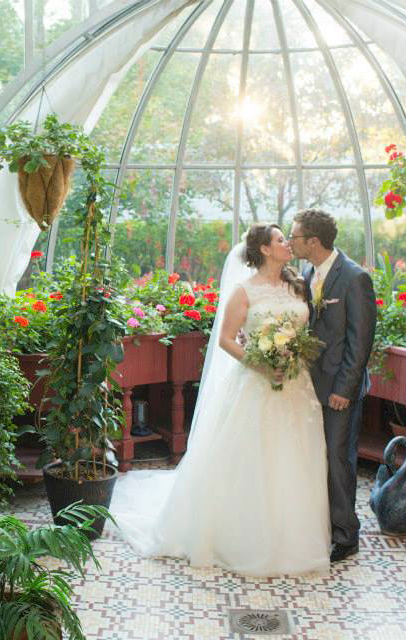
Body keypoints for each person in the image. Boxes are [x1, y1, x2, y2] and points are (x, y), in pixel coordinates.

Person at [108, 223, 330, 576]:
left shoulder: (299, 286)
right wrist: (260, 363)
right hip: (257, 384)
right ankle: (243, 538)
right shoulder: (244, 292)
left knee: (296, 459)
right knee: (254, 460)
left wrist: (291, 357)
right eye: (279, 240)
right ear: (264, 250)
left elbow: (308, 331)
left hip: (296, 386)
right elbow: (227, 339)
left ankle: (293, 539)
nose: (287, 243)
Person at [288, 209, 377, 563]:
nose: (291, 241)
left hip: (340, 389)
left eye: (295, 236)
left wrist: (344, 389)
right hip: (309, 385)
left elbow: (361, 340)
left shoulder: (355, 278)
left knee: (339, 460)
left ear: (313, 240)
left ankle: (346, 535)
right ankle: (322, 525)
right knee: (316, 458)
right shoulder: (308, 272)